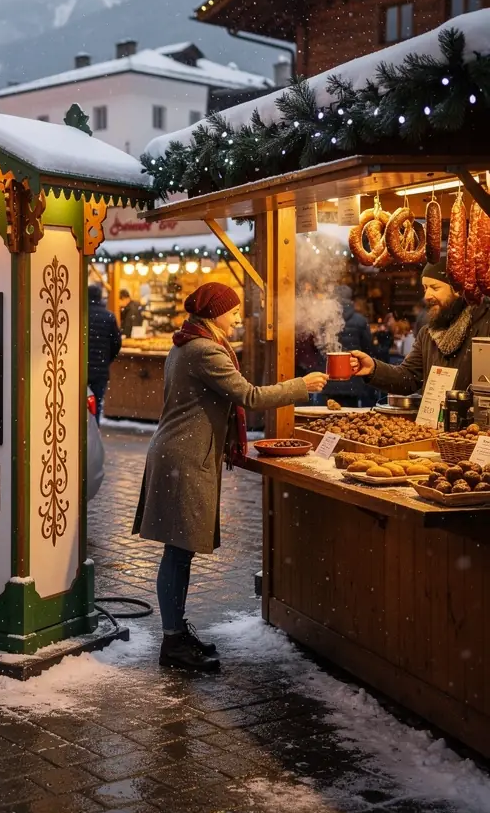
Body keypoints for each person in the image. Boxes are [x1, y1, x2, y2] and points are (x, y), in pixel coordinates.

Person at [132, 283, 327, 672]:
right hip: (183, 459)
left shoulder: (188, 343)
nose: (238, 317)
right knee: (177, 551)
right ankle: (172, 643)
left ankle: (176, 633)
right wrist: (300, 387)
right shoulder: (204, 350)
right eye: (232, 310)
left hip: (181, 454)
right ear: (213, 314)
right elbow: (249, 396)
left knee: (179, 550)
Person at [349, 259, 490, 393]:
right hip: (433, 417)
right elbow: (408, 377)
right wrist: (373, 368)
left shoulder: (485, 326)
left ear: (458, 289)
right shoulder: (427, 334)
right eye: (425, 288)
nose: (427, 296)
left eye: (435, 288)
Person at [326, 286, 374, 407]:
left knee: (328, 414)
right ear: (351, 299)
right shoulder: (360, 320)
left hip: (331, 379)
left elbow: (318, 345)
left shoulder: (326, 319)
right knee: (349, 418)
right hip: (352, 377)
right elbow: (368, 348)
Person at [87, 284, 122, 423]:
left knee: (76, 406)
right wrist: (106, 360)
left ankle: (78, 437)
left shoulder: (79, 314)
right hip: (99, 371)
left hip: (80, 370)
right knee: (96, 405)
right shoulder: (108, 316)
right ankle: (93, 435)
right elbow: (116, 343)